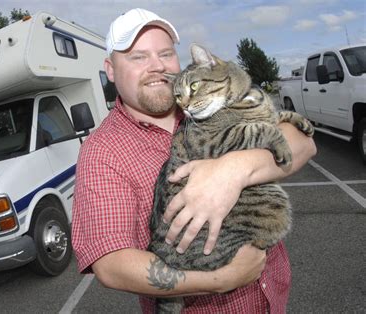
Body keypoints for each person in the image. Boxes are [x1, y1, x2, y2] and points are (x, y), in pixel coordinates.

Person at [72, 8, 316, 313]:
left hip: (273, 295)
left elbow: (304, 144)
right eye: (138, 57)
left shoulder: (207, 97)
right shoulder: (102, 151)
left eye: (165, 53)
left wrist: (233, 170)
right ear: (110, 69)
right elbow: (111, 265)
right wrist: (220, 278)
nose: (157, 66)